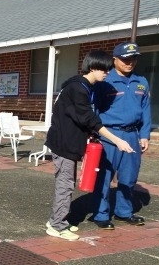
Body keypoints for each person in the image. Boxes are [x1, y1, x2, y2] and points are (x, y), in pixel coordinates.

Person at [45, 51, 133, 241]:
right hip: (64, 143)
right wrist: (117, 140)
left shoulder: (82, 86)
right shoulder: (78, 89)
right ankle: (56, 226)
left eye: (108, 70)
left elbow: (81, 119)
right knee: (65, 185)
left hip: (68, 141)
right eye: (104, 69)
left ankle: (57, 220)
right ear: (93, 67)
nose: (107, 73)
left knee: (66, 183)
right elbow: (89, 118)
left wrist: (92, 135)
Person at [91, 42, 151, 230]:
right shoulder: (105, 81)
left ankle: (124, 212)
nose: (130, 62)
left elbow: (146, 109)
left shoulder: (141, 81)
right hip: (109, 134)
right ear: (115, 59)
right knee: (104, 177)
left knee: (129, 176)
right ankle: (101, 214)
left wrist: (145, 134)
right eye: (125, 59)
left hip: (132, 134)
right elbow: (93, 109)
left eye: (133, 58)